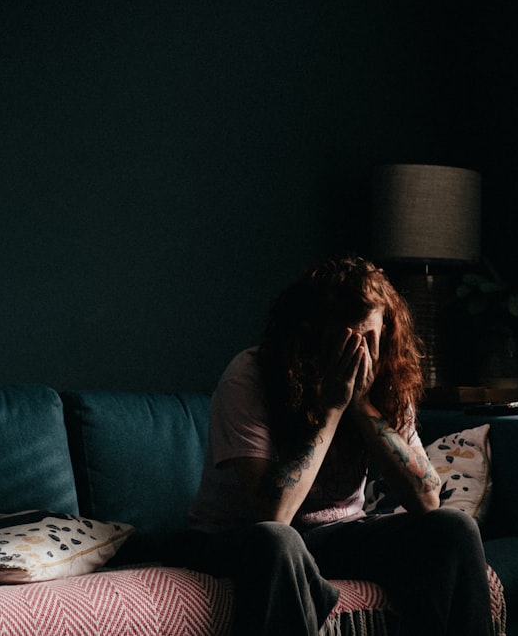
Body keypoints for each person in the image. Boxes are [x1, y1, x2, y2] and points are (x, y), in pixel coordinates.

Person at [177, 255, 493, 636]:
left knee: (452, 527)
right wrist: (333, 405)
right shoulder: (250, 376)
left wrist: (361, 406)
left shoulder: (385, 378)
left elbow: (427, 499)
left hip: (338, 534)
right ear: (311, 336)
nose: (361, 352)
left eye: (371, 338)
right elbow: (273, 513)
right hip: (235, 537)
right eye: (347, 340)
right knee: (279, 540)